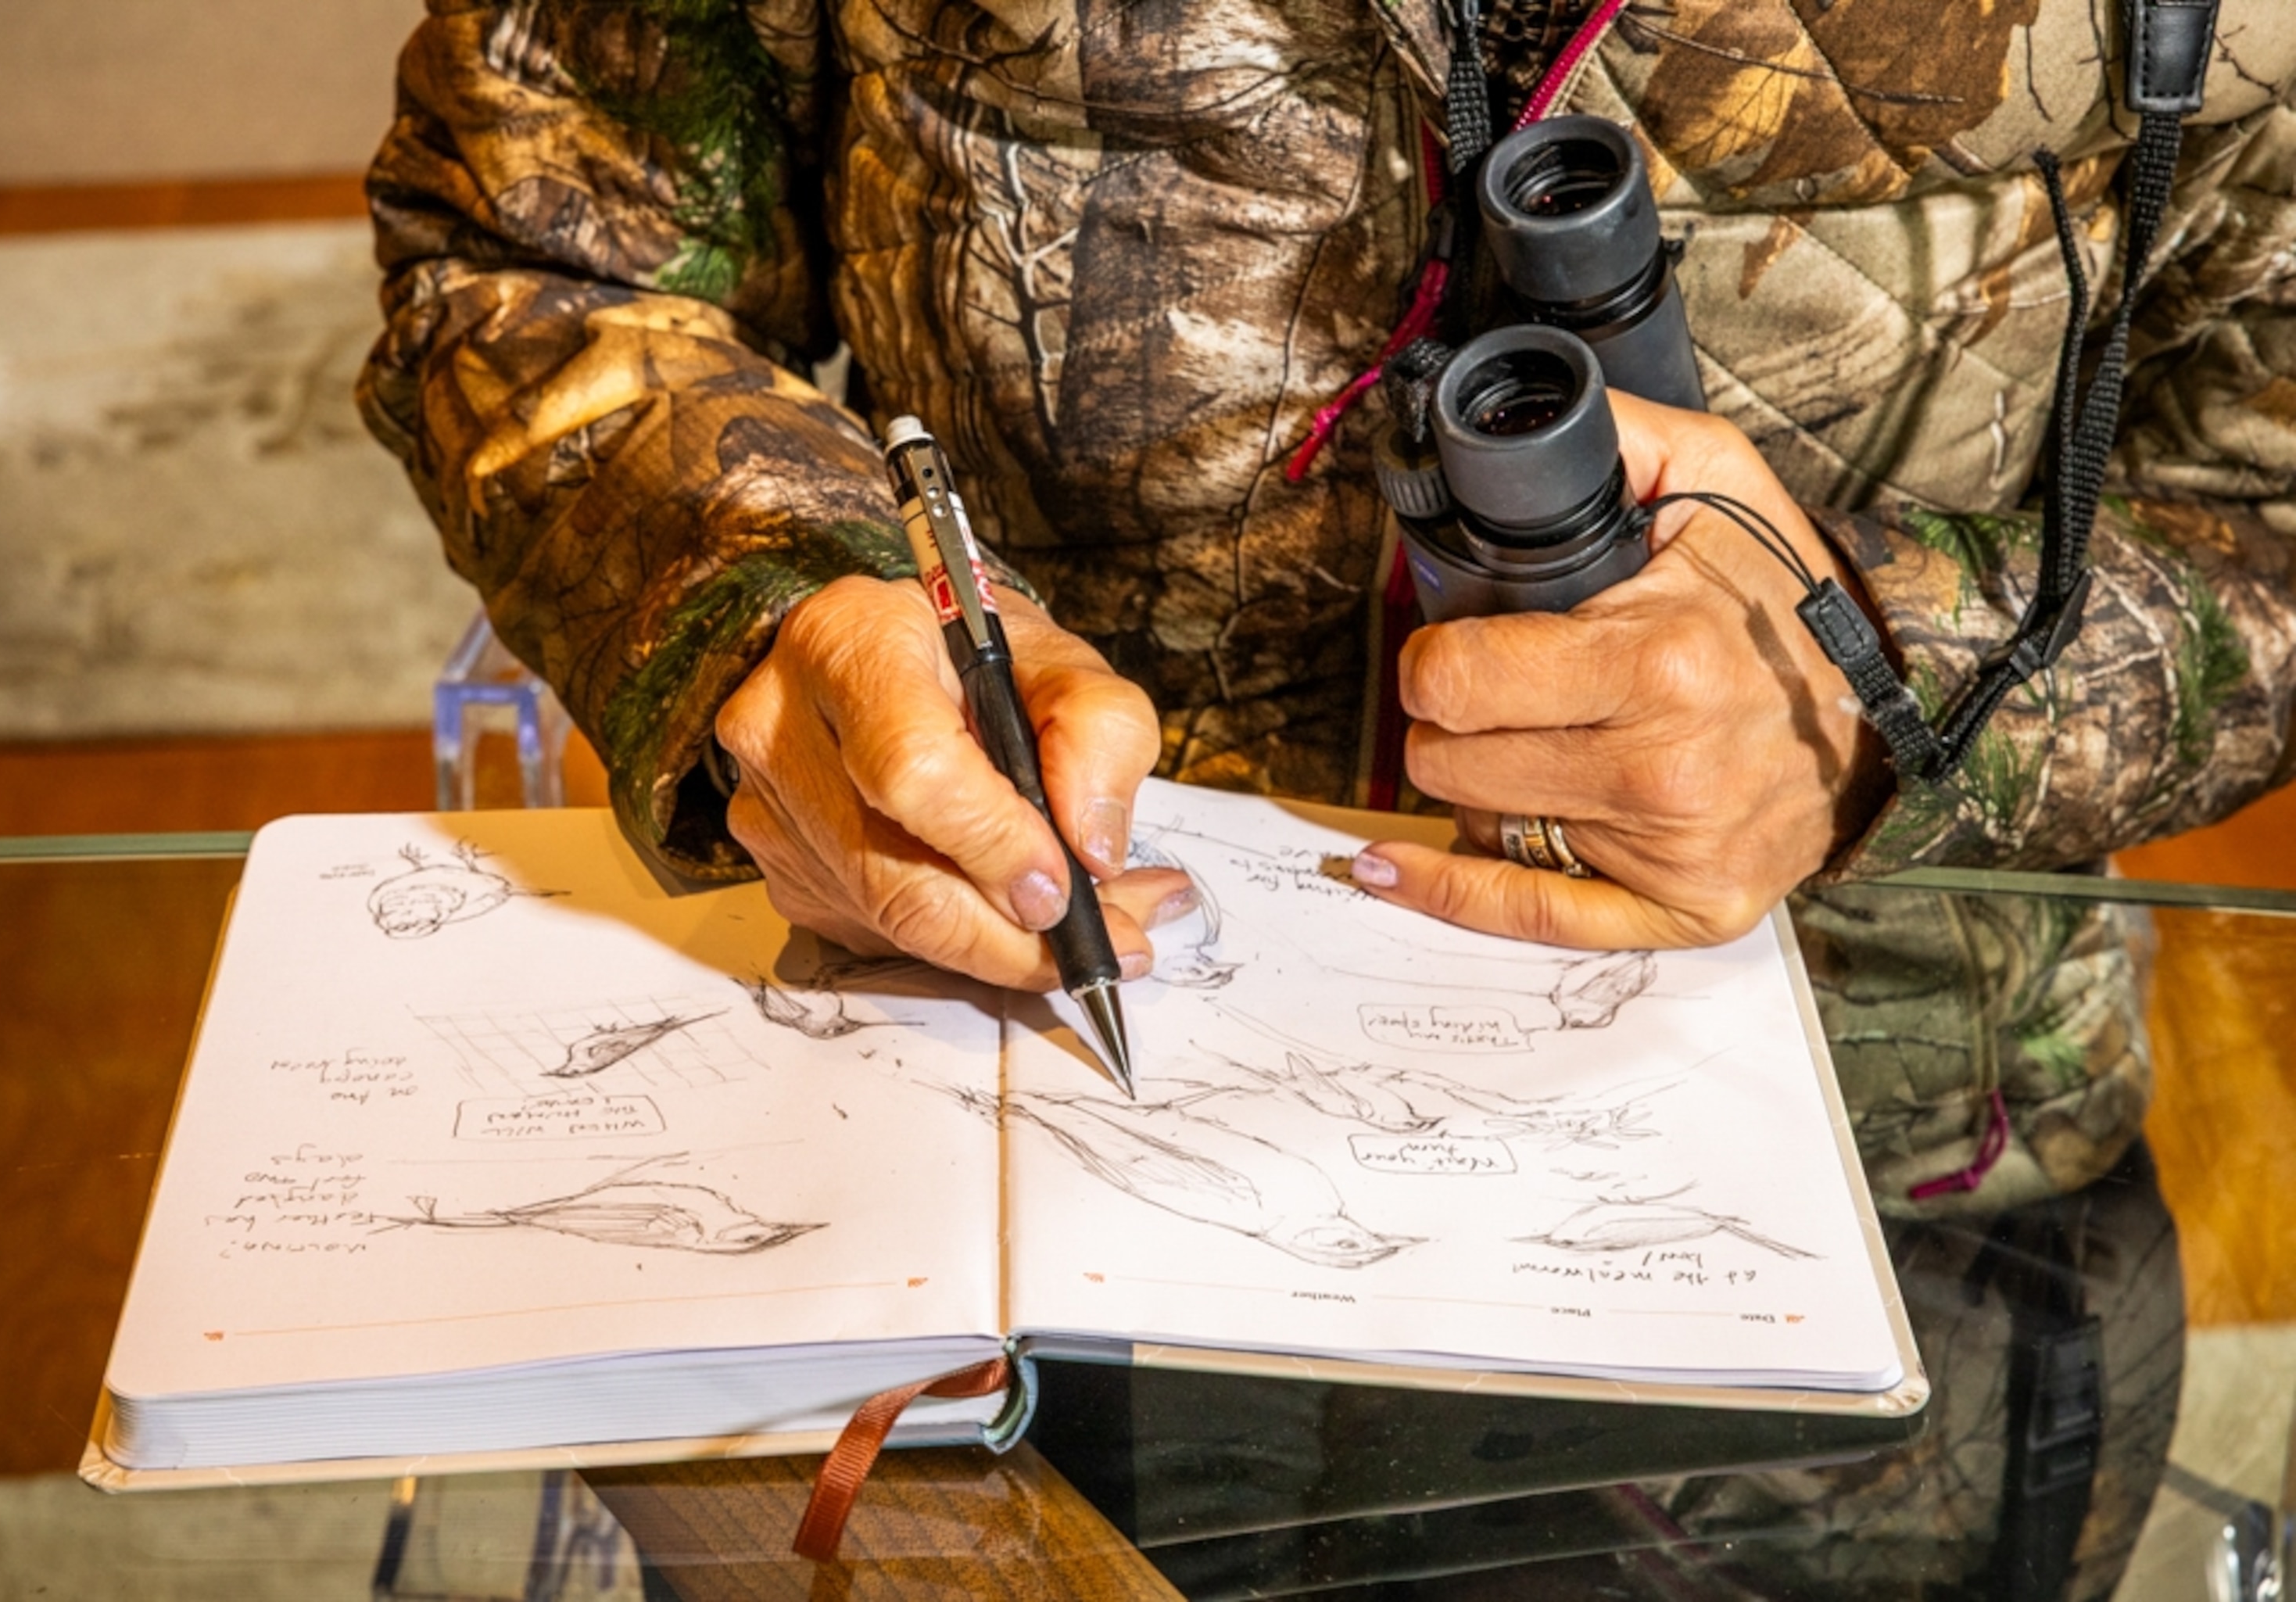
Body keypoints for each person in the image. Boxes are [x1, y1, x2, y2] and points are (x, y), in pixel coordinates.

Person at [357, 2, 2296, 1593]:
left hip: (1887, 1209)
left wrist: (1893, 683)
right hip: (999, 1168)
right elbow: (538, 236)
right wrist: (775, 599)